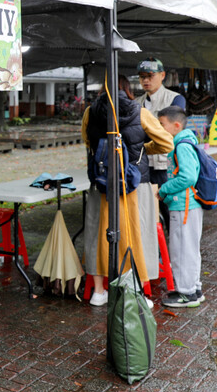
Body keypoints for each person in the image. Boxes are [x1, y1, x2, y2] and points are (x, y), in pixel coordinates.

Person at [82, 76, 173, 308]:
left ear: (103, 89)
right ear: (127, 89)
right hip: (135, 184)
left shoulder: (90, 113)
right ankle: (137, 293)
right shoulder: (140, 112)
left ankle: (99, 292)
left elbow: (87, 142)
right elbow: (166, 143)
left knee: (97, 235)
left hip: (101, 184)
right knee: (136, 234)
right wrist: (142, 148)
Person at [157, 106, 206, 308]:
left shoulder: (182, 146)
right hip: (188, 206)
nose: (160, 129)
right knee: (190, 248)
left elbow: (187, 177)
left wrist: (163, 189)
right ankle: (194, 289)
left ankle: (186, 294)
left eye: (162, 125)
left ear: (176, 125)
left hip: (183, 206)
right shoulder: (185, 142)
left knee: (181, 249)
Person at [135, 58, 187, 228]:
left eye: (150, 75)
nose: (146, 80)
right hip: (143, 164)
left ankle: (172, 246)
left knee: (169, 208)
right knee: (145, 209)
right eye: (142, 77)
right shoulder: (136, 103)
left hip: (165, 164)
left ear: (162, 75)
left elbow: (170, 132)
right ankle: (153, 248)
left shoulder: (176, 99)